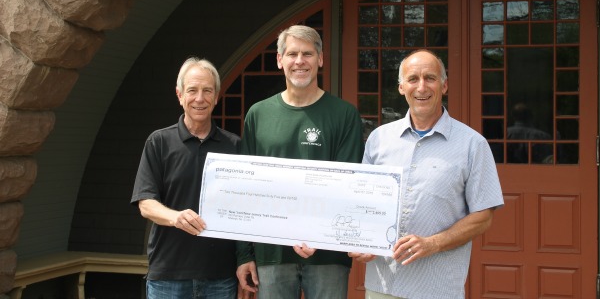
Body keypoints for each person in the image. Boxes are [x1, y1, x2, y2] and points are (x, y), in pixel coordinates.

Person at [350, 49, 504, 299]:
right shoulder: (379, 139)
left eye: (430, 78)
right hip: (383, 285)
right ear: (401, 87)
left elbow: (484, 216)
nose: (421, 87)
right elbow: (363, 203)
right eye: (413, 79)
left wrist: (433, 243)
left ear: (444, 86)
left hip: (437, 287)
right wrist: (363, 242)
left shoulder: (472, 144)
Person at [236, 25, 364, 299]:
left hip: (328, 253)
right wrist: (243, 254)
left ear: (320, 59)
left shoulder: (344, 115)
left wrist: (316, 235)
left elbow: (347, 186)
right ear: (280, 60)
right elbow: (245, 189)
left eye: (307, 53)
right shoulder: (258, 115)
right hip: (271, 252)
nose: (299, 61)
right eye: (292, 54)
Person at [131, 57, 241, 299]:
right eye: (192, 90)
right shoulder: (159, 142)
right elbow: (145, 204)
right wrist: (175, 217)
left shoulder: (234, 145)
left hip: (220, 276)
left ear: (216, 96)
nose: (199, 98)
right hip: (168, 277)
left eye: (207, 91)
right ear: (180, 95)